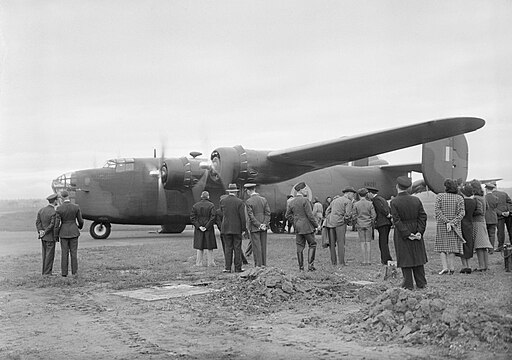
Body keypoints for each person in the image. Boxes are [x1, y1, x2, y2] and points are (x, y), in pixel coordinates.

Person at [390, 176, 428, 290]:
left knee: (405, 258)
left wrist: (407, 234)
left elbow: (396, 220)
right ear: (409, 187)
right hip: (416, 228)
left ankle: (408, 283)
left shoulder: (394, 201)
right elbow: (423, 216)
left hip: (402, 232)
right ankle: (421, 282)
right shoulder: (416, 200)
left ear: (397, 187)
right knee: (418, 257)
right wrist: (419, 232)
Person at [434, 179, 465, 275]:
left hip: (442, 225)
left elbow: (437, 211)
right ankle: (451, 268)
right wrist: (452, 222)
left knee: (442, 247)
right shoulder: (459, 198)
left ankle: (445, 268)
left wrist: (446, 221)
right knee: (452, 247)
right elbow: (462, 213)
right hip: (454, 226)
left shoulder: (440, 196)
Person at [285, 182, 318, 271]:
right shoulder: (305, 200)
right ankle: (310, 266)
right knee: (312, 244)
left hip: (297, 227)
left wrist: (295, 221)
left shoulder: (292, 201)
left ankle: (301, 267)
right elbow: (310, 215)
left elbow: (287, 215)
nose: (306, 190)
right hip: (307, 227)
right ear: (301, 190)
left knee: (300, 247)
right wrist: (316, 225)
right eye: (305, 189)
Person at [55, 191, 84, 277]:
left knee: (64, 253)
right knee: (74, 253)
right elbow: (81, 220)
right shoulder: (76, 207)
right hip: (74, 231)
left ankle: (64, 273)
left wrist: (56, 234)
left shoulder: (59, 209)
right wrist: (79, 227)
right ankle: (74, 272)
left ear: (62, 198)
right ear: (68, 196)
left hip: (63, 232)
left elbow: (57, 224)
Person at [220, 183, 247, 273]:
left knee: (228, 248)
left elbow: (221, 213)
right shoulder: (239, 202)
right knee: (237, 248)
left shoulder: (223, 201)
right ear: (235, 192)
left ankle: (227, 267)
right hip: (237, 228)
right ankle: (238, 267)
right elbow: (242, 217)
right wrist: (243, 229)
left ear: (229, 192)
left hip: (226, 227)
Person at [327, 187, 356, 266]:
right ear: (349, 193)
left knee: (332, 244)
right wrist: (345, 220)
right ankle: (341, 262)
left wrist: (330, 218)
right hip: (340, 224)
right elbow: (348, 214)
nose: (353, 196)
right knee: (341, 243)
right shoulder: (348, 201)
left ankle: (333, 262)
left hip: (331, 223)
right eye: (352, 194)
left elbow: (327, 211)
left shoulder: (334, 200)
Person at [244, 183, 271, 267]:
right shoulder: (264, 199)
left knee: (256, 248)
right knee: (263, 246)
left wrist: (258, 225)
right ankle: (263, 265)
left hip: (254, 227)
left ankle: (258, 266)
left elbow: (251, 216)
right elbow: (268, 213)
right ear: (254, 189)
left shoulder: (249, 201)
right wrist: (264, 224)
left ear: (248, 191)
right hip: (264, 227)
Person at [470, 179, 493, 271]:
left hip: (477, 222)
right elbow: (486, 208)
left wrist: (471, 213)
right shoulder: (483, 197)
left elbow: (478, 210)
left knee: (479, 245)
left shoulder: (475, 198)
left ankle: (481, 266)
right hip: (482, 221)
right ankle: (485, 265)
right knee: (483, 246)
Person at [367, 186, 393, 265]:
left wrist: (387, 214)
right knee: (385, 241)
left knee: (382, 242)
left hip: (382, 223)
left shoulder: (376, 200)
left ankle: (386, 259)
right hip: (387, 223)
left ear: (371, 193)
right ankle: (386, 258)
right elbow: (388, 207)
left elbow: (381, 208)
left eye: (368, 194)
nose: (368, 195)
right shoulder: (382, 199)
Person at [190, 191, 218, 267]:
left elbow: (192, 218)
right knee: (210, 246)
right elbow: (213, 217)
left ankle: (198, 263)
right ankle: (211, 263)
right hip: (208, 228)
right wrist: (207, 226)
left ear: (201, 196)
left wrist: (199, 226)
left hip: (199, 228)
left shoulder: (195, 205)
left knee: (199, 246)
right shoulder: (211, 205)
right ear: (208, 196)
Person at [36, 193, 59, 275]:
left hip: (43, 236)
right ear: (55, 201)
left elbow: (38, 222)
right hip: (50, 236)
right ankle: (47, 273)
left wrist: (41, 231)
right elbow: (52, 225)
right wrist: (45, 231)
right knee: (50, 255)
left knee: (45, 254)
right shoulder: (54, 212)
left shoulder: (41, 210)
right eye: (57, 200)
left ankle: (45, 272)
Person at [351, 188, 376, 265]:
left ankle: (364, 260)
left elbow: (354, 215)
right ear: (366, 194)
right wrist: (371, 221)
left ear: (358, 195)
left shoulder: (356, 204)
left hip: (360, 224)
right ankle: (368, 261)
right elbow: (374, 215)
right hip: (368, 224)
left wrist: (357, 222)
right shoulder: (370, 203)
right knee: (368, 242)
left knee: (362, 242)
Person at [456, 183, 477, 273]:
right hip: (469, 223)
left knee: (462, 244)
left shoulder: (462, 202)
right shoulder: (473, 202)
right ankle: (469, 265)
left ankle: (464, 265)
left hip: (461, 223)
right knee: (469, 243)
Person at [487, 181, 512, 252]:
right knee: (510, 230)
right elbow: (510, 202)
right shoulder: (504, 194)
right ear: (496, 186)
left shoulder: (489, 197)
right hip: (508, 215)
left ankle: (500, 247)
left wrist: (501, 213)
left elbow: (492, 208)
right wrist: (508, 212)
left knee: (500, 232)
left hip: (499, 216)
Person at [484, 182, 499, 254]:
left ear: (486, 189)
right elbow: (495, 207)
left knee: (486, 234)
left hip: (486, 217)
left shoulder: (484, 198)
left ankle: (486, 248)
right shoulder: (496, 198)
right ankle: (491, 249)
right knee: (492, 234)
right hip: (493, 217)